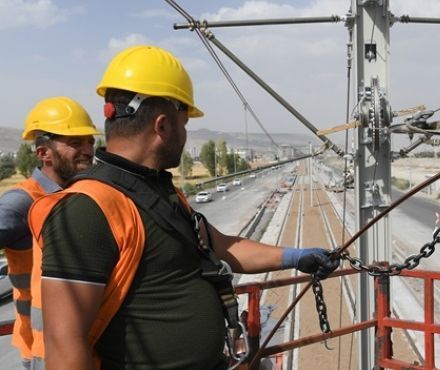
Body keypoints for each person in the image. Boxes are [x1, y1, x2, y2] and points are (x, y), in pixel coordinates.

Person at [27, 45, 339, 370]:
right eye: (185, 122)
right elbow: (65, 346)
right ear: (162, 126)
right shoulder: (87, 209)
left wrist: (295, 257)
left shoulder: (161, 190)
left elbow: (221, 246)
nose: (187, 133)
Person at [0, 96, 100, 369]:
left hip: (81, 343)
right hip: (42, 351)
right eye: (75, 143)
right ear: (44, 153)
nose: (88, 150)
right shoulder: (22, 202)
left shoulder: (78, 195)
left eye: (90, 141)